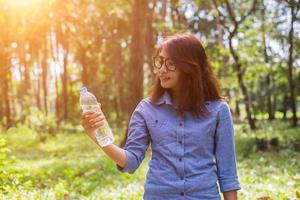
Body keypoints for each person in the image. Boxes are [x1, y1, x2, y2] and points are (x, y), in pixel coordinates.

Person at [81, 32, 241, 200]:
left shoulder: (218, 109)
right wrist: (99, 137)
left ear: (191, 67)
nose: (161, 69)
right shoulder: (146, 109)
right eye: (160, 61)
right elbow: (131, 162)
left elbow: (227, 173)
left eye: (171, 63)